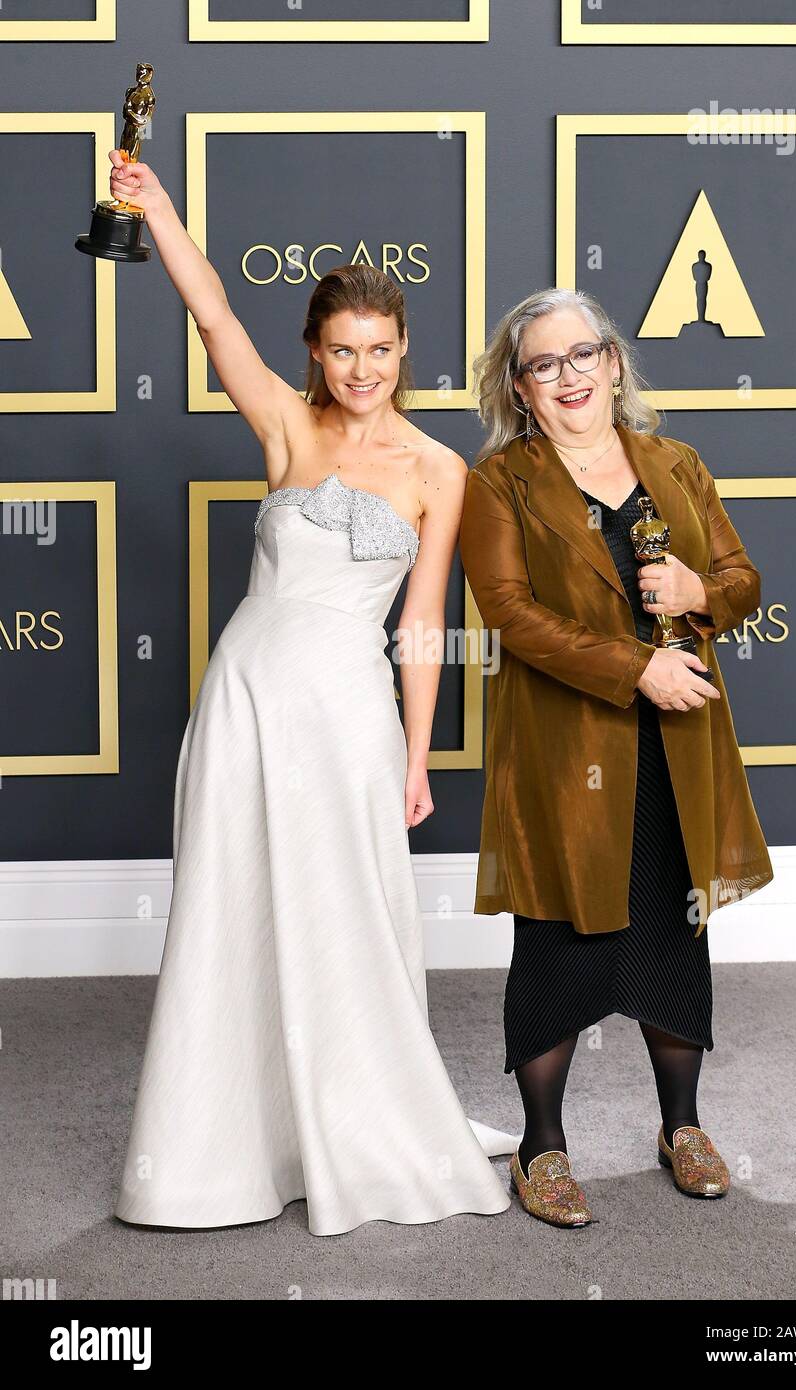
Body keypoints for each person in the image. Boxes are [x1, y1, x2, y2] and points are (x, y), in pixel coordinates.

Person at [109, 150, 517, 1237]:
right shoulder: (288, 428)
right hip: (245, 700)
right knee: (229, 911)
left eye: (379, 350)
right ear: (316, 352)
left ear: (403, 353)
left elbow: (425, 625)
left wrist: (419, 753)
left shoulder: (440, 471)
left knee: (343, 922)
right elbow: (212, 317)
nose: (361, 368)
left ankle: (353, 1122)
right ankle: (224, 1150)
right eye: (342, 350)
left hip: (347, 717)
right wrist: (155, 208)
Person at [459, 288, 774, 1228]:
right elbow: (511, 617)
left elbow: (741, 578)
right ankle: (540, 1148)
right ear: (518, 387)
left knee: (674, 932)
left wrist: (697, 589)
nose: (568, 377)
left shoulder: (674, 464)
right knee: (558, 943)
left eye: (581, 355)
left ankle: (680, 1125)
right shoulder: (501, 482)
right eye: (542, 365)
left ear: (613, 361)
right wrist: (637, 668)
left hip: (676, 746)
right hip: (568, 750)